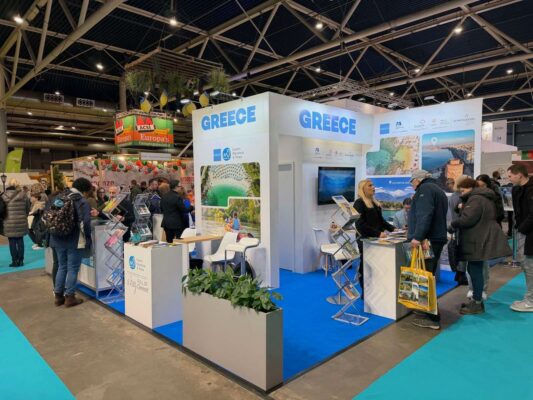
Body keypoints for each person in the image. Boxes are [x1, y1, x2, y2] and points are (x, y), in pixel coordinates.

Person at [450, 178, 511, 314]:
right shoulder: (483, 197)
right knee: (475, 270)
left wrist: (452, 225)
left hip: (477, 239)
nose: (461, 193)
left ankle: (477, 303)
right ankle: (476, 300)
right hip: (480, 238)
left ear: (471, 188)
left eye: (463, 191)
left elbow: (467, 219)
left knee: (475, 271)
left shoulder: (476, 199)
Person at [408, 170, 448, 330]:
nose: (412, 186)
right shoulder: (437, 189)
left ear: (417, 180)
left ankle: (433, 318)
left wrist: (418, 236)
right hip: (434, 238)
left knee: (425, 277)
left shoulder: (425, 189)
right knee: (427, 275)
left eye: (412, 182)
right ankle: (427, 309)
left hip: (427, 241)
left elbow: (425, 215)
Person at [49, 178, 92, 307]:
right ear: (85, 190)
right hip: (74, 239)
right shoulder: (81, 201)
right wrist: (88, 238)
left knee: (62, 266)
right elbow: (85, 223)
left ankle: (58, 296)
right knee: (73, 268)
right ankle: (70, 297)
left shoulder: (59, 197)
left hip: (57, 238)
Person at [354, 179, 395, 293]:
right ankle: (365, 291)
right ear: (363, 189)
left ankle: (376, 290)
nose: (373, 187)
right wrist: (378, 233)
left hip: (377, 240)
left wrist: (394, 229)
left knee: (377, 265)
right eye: (370, 185)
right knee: (366, 266)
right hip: (365, 240)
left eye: (373, 185)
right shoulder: (359, 203)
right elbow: (360, 225)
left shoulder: (375, 203)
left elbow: (381, 221)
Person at [508, 164, 533, 312]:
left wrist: (522, 229)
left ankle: (531, 301)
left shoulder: (531, 190)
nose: (509, 179)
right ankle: (529, 298)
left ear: (519, 175)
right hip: (522, 232)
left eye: (510, 176)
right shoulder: (517, 190)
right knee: (526, 265)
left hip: (529, 234)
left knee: (529, 267)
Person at [1, 179, 30, 267]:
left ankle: (14, 261)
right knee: (20, 241)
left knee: (12, 242)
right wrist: (23, 216)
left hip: (8, 222)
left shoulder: (3, 195)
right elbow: (27, 209)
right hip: (21, 221)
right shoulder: (24, 195)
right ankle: (21, 261)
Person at [447, 175, 469, 286]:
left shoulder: (455, 196)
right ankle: (461, 274)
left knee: (460, 251)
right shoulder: (458, 196)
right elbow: (457, 214)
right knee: (461, 251)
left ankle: (460, 274)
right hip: (460, 228)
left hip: (458, 227)